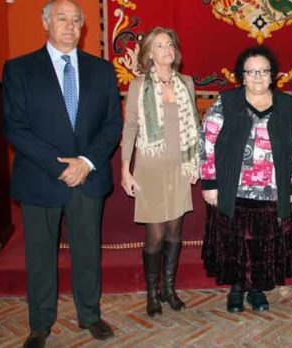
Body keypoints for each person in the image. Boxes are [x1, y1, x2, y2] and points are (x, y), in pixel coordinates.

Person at [1, 0, 122, 347]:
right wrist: (60, 166)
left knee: (88, 251)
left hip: (89, 175)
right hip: (40, 177)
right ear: (45, 23)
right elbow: (15, 128)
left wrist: (85, 162)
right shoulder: (20, 69)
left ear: (84, 26)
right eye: (61, 19)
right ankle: (40, 323)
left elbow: (112, 125)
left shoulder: (101, 70)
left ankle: (90, 315)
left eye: (75, 20)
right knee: (40, 254)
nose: (69, 26)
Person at [199, 46, 292, 313]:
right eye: (251, 72)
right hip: (232, 188)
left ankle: (256, 288)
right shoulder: (226, 102)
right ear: (242, 76)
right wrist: (210, 183)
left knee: (262, 242)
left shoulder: (288, 106)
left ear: (272, 75)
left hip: (271, 189)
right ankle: (236, 288)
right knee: (234, 241)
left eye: (263, 71)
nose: (258, 77)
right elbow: (207, 141)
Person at [121, 27, 200, 317]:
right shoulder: (139, 85)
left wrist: (196, 163)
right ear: (149, 54)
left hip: (180, 167)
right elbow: (130, 127)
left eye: (170, 44)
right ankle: (151, 294)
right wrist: (125, 171)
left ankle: (169, 289)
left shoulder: (186, 83)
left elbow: (195, 126)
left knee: (175, 232)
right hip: (150, 168)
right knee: (154, 235)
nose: (167, 49)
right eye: (159, 45)